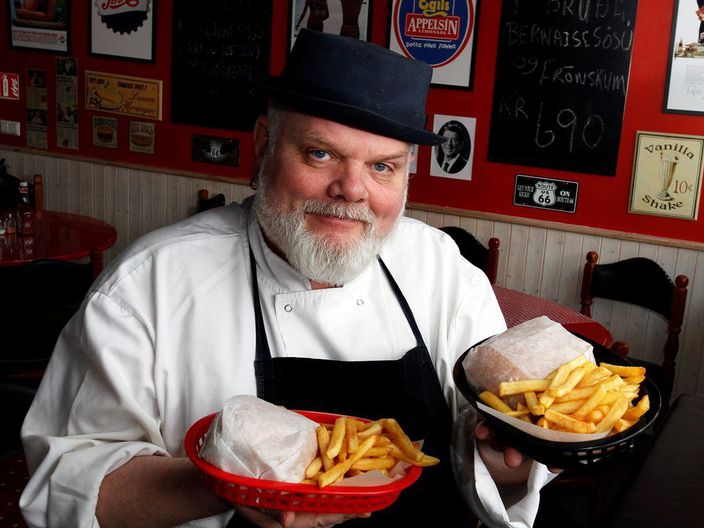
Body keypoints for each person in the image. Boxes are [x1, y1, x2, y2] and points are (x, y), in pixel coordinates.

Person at [20, 30, 556, 528]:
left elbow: (487, 470)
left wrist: (509, 456)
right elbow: (62, 484)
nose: (351, 190)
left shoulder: (443, 273)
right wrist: (222, 485)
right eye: (320, 154)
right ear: (263, 144)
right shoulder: (151, 285)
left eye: (382, 167)